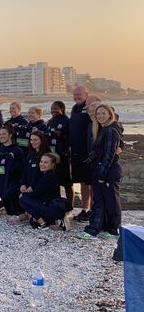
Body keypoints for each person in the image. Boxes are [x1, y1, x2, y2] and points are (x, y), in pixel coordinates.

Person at [77, 104, 124, 240]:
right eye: (98, 114)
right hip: (100, 169)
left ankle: (111, 230)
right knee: (101, 201)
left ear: (110, 114)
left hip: (108, 171)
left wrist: (102, 174)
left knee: (110, 201)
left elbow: (109, 155)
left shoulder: (110, 130)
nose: (100, 116)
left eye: (103, 113)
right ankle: (101, 228)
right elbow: (112, 147)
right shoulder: (104, 129)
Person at [20, 153, 68, 229]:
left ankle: (43, 222)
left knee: (23, 199)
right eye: (41, 162)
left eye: (46, 162)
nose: (42, 164)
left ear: (53, 165)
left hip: (53, 209)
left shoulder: (49, 177)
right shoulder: (46, 175)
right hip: (48, 206)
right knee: (32, 222)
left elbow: (35, 195)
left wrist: (24, 194)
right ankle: (46, 221)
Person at [69, 85, 93, 222]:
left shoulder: (90, 107)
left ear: (86, 94)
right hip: (76, 153)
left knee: (92, 183)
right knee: (83, 183)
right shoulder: (75, 109)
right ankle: (85, 209)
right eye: (75, 94)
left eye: (79, 94)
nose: (77, 96)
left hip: (87, 153)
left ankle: (94, 211)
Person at [46, 101, 73, 204]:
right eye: (52, 109)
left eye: (56, 109)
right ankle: (56, 203)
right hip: (52, 157)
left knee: (67, 184)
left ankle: (70, 206)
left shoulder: (67, 121)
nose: (53, 111)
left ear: (62, 109)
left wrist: (58, 135)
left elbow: (69, 138)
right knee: (54, 182)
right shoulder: (51, 121)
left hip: (63, 157)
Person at [0, 124, 24, 219]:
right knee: (8, 210)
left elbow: (21, 169)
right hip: (2, 179)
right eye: (0, 134)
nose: (1, 136)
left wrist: (11, 160)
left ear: (10, 135)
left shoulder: (17, 150)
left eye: (4, 134)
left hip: (15, 179)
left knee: (9, 193)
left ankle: (19, 214)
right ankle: (14, 214)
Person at [20, 131, 48, 196]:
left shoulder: (46, 156)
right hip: (28, 188)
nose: (32, 142)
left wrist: (33, 187)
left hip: (39, 190)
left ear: (41, 141)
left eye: (35, 140)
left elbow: (44, 176)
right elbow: (24, 171)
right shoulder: (30, 155)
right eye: (31, 140)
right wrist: (23, 184)